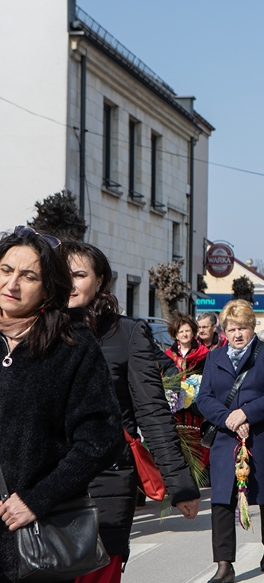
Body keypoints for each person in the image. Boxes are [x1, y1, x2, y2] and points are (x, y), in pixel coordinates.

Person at [62, 241, 201, 582]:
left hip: (107, 478)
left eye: (79, 275)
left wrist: (179, 483)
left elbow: (152, 413)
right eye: (61, 275)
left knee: (98, 571)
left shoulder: (127, 333)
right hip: (46, 479)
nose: (69, 284)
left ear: (100, 280)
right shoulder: (36, 332)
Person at [0, 226, 123, 582]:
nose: (12, 284)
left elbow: (101, 439)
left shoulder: (71, 345)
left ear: (48, 288)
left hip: (32, 536)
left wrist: (38, 499)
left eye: (28, 276)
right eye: (5, 270)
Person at [196, 300, 264, 583]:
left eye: (242, 328)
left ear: (252, 327)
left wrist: (247, 413)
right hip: (226, 438)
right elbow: (204, 397)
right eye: (231, 329)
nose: (237, 334)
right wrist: (229, 418)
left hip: (262, 436)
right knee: (222, 500)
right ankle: (224, 565)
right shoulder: (215, 357)